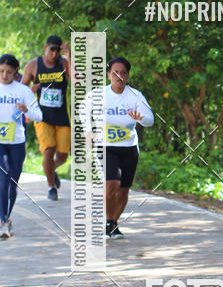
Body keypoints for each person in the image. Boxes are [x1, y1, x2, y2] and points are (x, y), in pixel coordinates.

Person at [84, 57, 154, 239]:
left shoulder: (135, 96)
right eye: (115, 73)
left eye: (123, 73)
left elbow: (150, 120)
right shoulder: (98, 95)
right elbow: (83, 109)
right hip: (105, 146)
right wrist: (88, 131)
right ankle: (108, 220)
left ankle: (114, 223)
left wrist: (140, 118)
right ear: (109, 75)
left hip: (129, 147)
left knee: (123, 188)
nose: (119, 76)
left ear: (128, 75)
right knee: (111, 183)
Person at [21, 35, 71, 201]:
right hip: (42, 116)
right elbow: (21, 90)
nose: (54, 54)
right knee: (48, 151)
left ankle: (51, 170)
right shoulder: (33, 65)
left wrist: (69, 55)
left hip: (63, 116)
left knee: (62, 155)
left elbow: (77, 80)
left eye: (58, 50)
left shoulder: (64, 63)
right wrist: (30, 91)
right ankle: (51, 187)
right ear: (45, 47)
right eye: (52, 49)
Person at [0, 54, 43, 238]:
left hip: (17, 143)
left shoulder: (23, 91)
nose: (4, 75)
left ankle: (6, 218)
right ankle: (2, 222)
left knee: (12, 184)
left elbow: (39, 116)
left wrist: (27, 110)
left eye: (9, 72)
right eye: (1, 71)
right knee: (2, 180)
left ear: (16, 72)